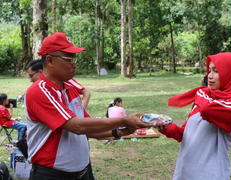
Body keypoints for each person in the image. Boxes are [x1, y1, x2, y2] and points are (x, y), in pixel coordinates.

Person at [25, 32, 152, 180]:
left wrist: (119, 132)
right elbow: (77, 126)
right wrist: (124, 120)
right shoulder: (39, 91)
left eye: (74, 58)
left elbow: (88, 129)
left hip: (82, 172)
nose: (74, 63)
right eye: (68, 58)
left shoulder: (70, 87)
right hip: (52, 175)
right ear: (50, 60)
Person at [158, 52, 231, 180]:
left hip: (210, 174)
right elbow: (184, 134)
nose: (209, 76)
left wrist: (200, 92)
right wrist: (165, 127)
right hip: (185, 170)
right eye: (209, 70)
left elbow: (208, 109)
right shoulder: (204, 98)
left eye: (216, 71)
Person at [26, 59, 91, 109]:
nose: (30, 80)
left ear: (40, 72)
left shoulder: (64, 80)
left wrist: (80, 111)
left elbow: (86, 92)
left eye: (31, 76)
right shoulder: (37, 90)